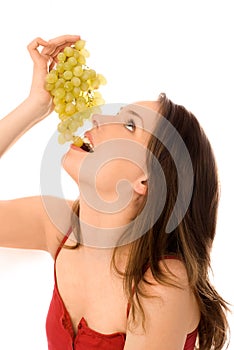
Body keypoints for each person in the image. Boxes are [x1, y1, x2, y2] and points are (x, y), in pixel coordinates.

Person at [0, 35, 230, 350]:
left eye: (130, 126)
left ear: (146, 181)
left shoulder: (161, 287)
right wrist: (34, 107)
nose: (97, 116)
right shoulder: (60, 227)